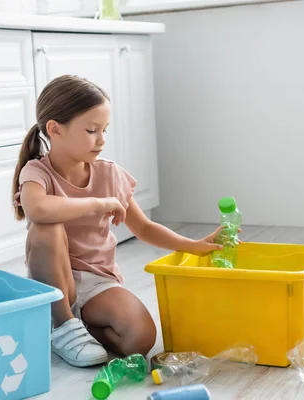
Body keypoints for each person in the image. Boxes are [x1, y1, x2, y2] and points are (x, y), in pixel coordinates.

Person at [12, 75, 226, 368]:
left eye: (105, 130)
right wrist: (98, 204)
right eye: (91, 130)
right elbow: (37, 210)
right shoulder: (36, 172)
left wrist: (192, 245)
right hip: (55, 278)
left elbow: (144, 227)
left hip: (98, 281)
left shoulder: (109, 174)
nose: (101, 140)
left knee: (140, 339)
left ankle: (77, 328)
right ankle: (62, 321)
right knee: (48, 223)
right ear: (54, 129)